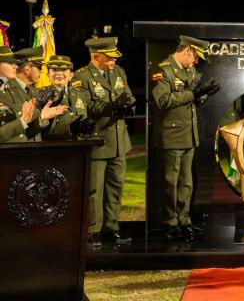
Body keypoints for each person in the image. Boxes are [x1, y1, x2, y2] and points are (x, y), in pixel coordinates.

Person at [151, 35, 219, 241]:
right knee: (170, 182)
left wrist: (204, 94)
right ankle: (170, 222)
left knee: (186, 182)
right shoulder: (162, 70)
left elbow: (192, 100)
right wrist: (193, 94)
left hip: (189, 133)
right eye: (196, 57)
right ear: (188, 50)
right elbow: (163, 100)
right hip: (171, 134)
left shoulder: (189, 70)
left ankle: (184, 219)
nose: (196, 62)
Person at [73, 37, 135, 247]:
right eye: (109, 58)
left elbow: (127, 95)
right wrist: (112, 106)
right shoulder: (82, 77)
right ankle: (93, 230)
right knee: (95, 190)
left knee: (115, 187)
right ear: (96, 56)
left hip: (118, 140)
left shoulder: (118, 72)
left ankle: (112, 227)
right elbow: (85, 106)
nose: (113, 62)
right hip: (98, 139)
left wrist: (129, 105)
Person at [0, 46, 67, 142]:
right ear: (27, 69)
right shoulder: (9, 88)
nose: (15, 66)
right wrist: (23, 121)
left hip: (31, 148)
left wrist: (42, 119)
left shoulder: (30, 91)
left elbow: (28, 133)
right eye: (10, 63)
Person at [40, 55, 94, 140]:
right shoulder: (42, 95)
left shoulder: (79, 94)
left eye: (63, 70)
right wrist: (69, 129)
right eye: (54, 70)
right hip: (54, 145)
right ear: (48, 74)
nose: (59, 73)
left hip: (79, 145)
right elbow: (38, 129)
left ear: (71, 75)